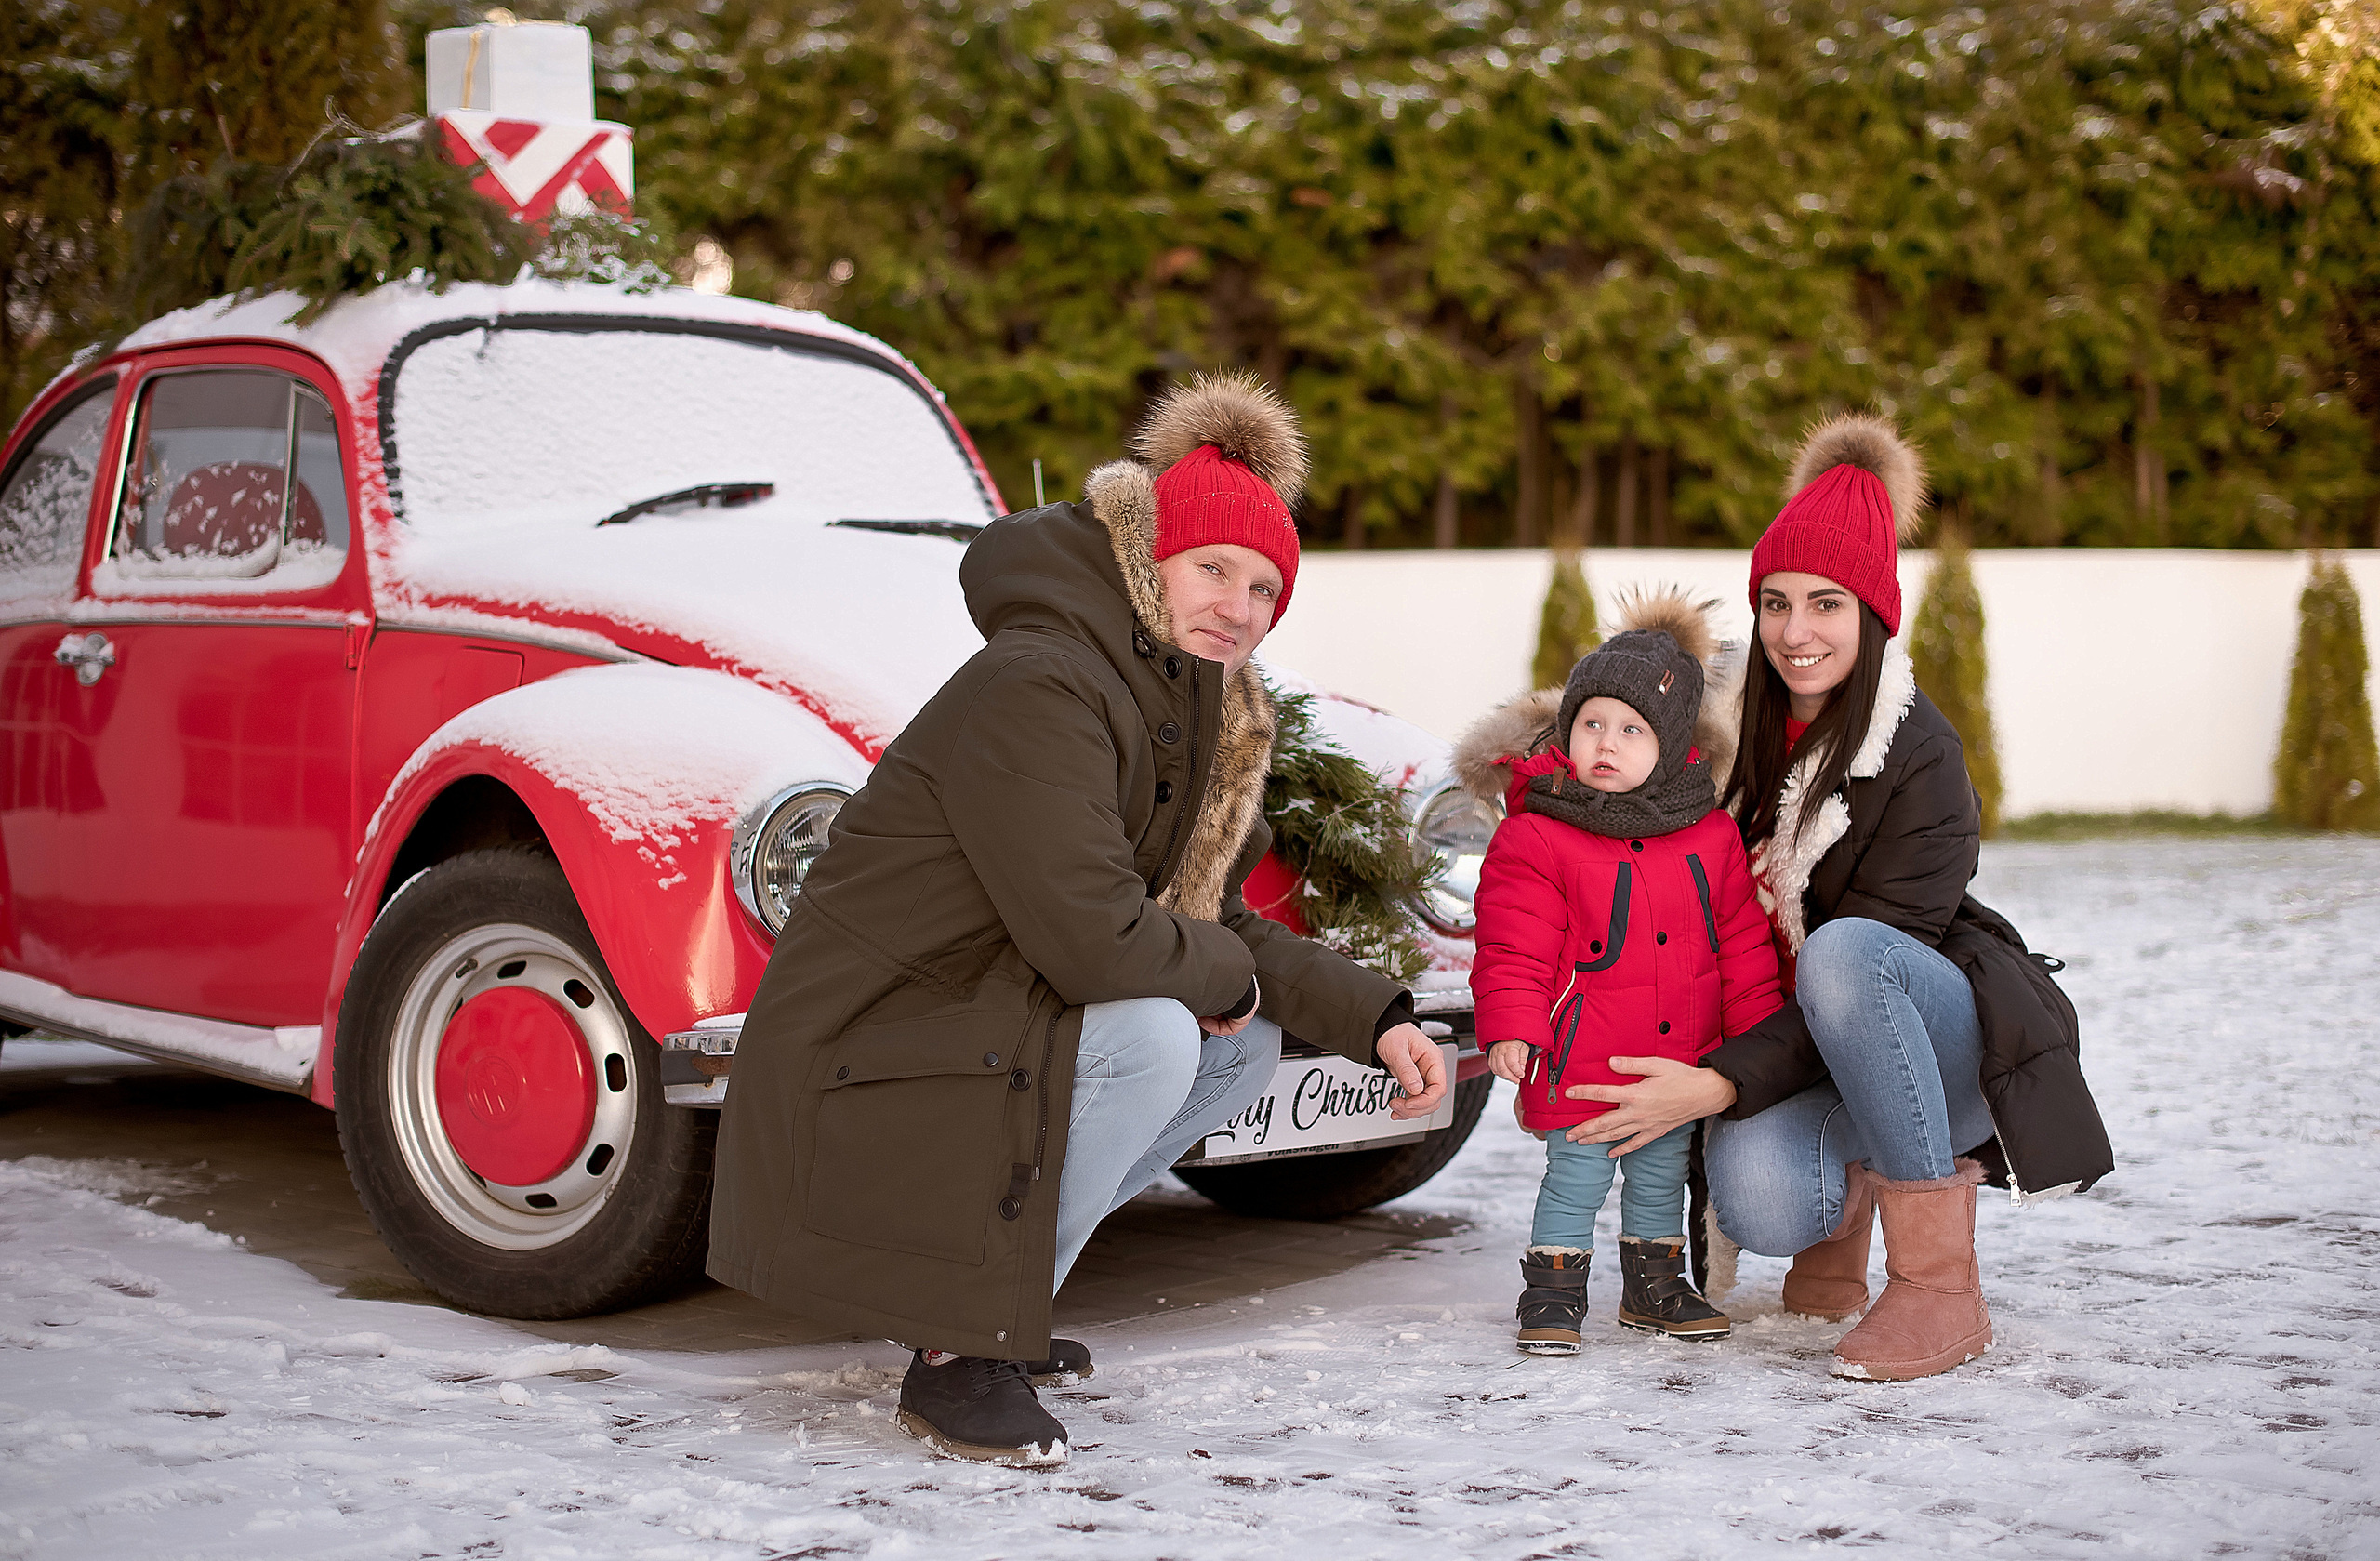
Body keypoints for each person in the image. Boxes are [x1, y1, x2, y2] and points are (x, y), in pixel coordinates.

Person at [706, 373, 1449, 1465]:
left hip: (977, 1019)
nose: (1237, 607)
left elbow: (1215, 922)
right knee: (1156, 1028)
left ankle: (998, 1304)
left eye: (1262, 588)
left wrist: (1374, 1017)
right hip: (867, 1045)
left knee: (1241, 1052)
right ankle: (961, 1353)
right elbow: (1089, 935)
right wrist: (1222, 980)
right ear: (1148, 559)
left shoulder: (1191, 708)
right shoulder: (1041, 681)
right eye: (1212, 569)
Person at [1540, 413, 2112, 1382]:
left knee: (1843, 952)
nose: (1795, 632)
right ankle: (1838, 1215)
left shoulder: (1921, 756)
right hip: (1804, 1043)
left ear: (1874, 613)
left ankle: (1939, 1283)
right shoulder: (1722, 725)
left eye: (1827, 604)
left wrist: (1716, 1083)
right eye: (1774, 602)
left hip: (1940, 1044)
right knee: (1763, 1198)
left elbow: (1853, 966)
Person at [1456, 590, 1781, 1353]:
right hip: (1582, 1059)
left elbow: (1739, 940)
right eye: (1591, 723)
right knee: (1575, 1178)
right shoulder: (1539, 834)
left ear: (1671, 746)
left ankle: (1655, 1284)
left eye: (1632, 730)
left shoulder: (1709, 835)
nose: (1606, 742)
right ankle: (1554, 1290)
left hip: (1677, 1063)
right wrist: (1510, 1025)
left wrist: (1757, 1037)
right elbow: (1514, 941)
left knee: (1661, 1178)